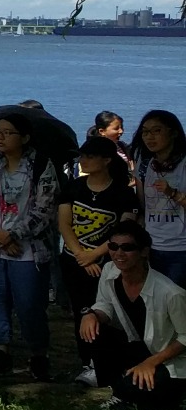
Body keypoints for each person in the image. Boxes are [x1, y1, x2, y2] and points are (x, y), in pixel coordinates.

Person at [0, 111, 61, 380]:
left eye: (8, 133)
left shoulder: (42, 165)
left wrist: (13, 235)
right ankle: (0, 349)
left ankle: (38, 354)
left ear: (25, 137)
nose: (0, 137)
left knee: (30, 304)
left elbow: (45, 208)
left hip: (28, 247)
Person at [79, 222, 186, 410]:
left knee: (150, 391)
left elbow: (185, 337)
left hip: (168, 358)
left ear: (144, 252)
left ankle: (132, 394)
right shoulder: (109, 271)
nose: (119, 253)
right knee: (94, 330)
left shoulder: (171, 293)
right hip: (137, 345)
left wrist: (151, 362)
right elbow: (105, 305)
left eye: (127, 248)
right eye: (113, 247)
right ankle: (120, 389)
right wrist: (91, 314)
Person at [59, 135, 139, 387]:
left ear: (106, 160)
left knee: (108, 312)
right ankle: (87, 363)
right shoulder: (74, 186)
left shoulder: (123, 193)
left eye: (89, 156)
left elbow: (124, 230)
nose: (83, 160)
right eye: (82, 155)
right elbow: (64, 223)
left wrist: (94, 255)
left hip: (107, 264)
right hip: (74, 262)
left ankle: (111, 363)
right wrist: (82, 256)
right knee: (81, 311)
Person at [132, 110, 186, 283]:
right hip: (152, 245)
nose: (150, 137)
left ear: (173, 133)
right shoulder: (144, 163)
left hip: (181, 247)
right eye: (145, 132)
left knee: (176, 300)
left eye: (157, 131)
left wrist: (173, 194)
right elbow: (143, 205)